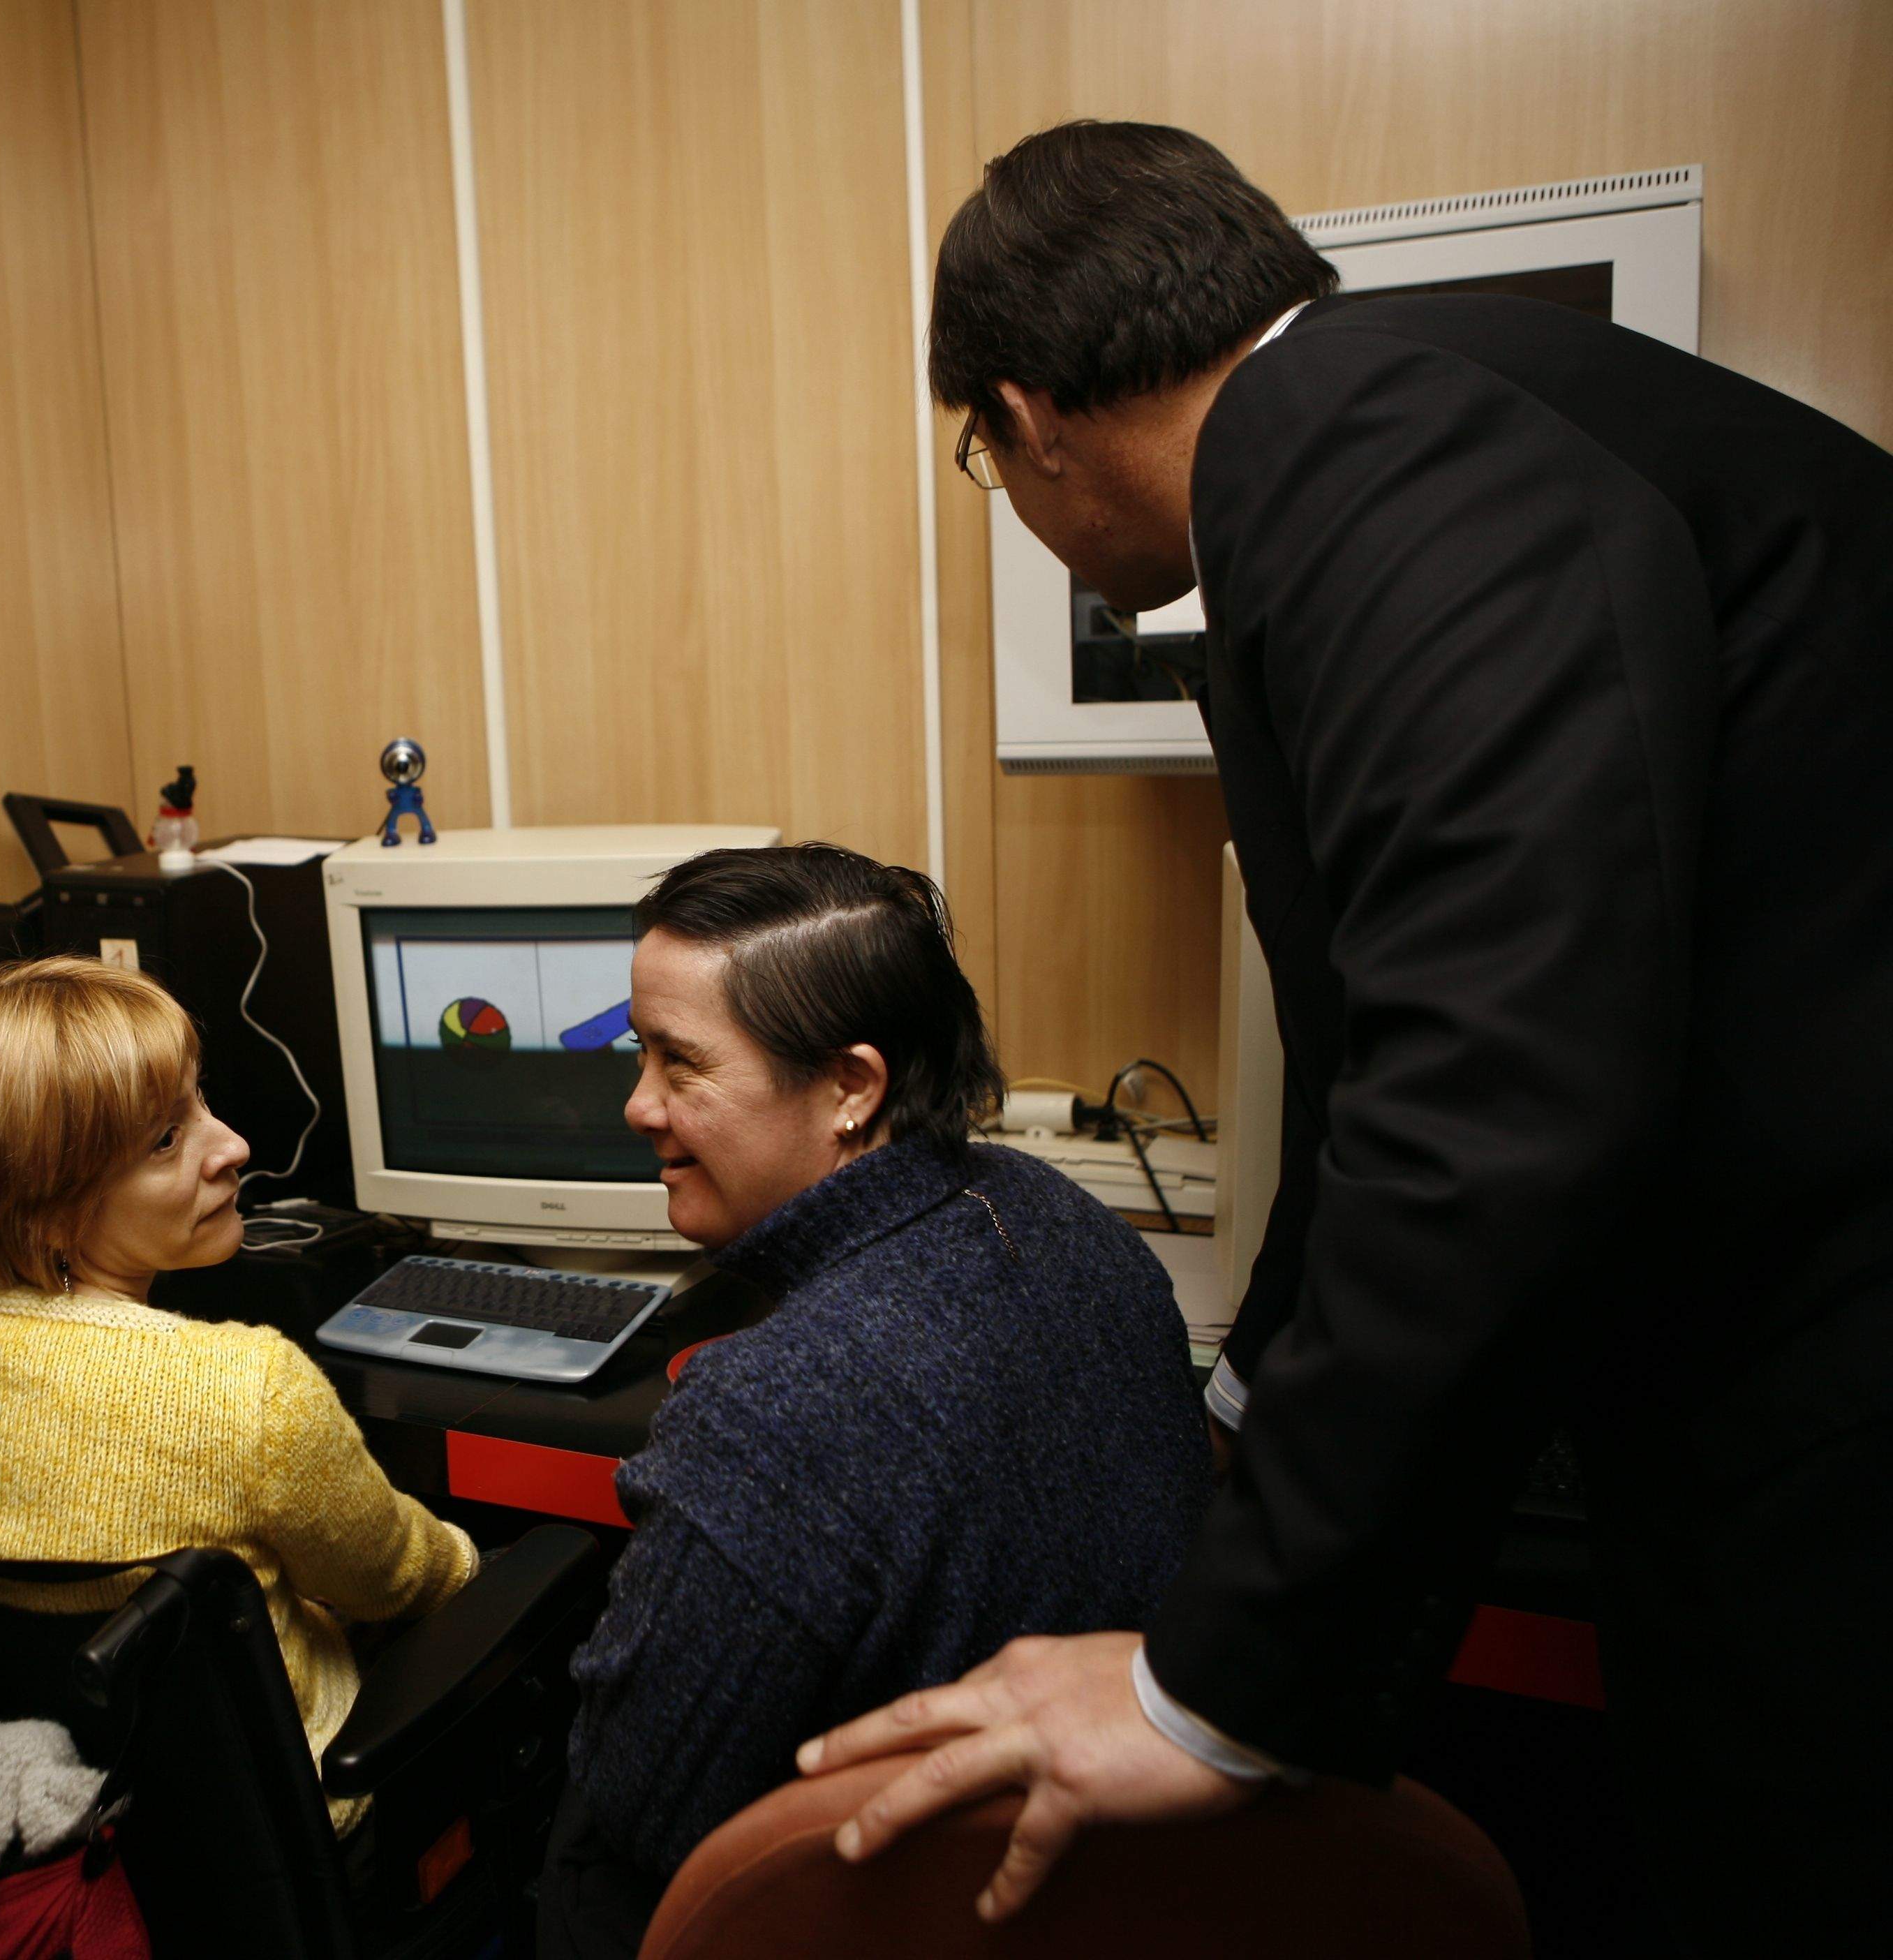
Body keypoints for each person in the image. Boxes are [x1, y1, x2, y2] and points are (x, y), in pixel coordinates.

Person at [802, 121, 1893, 1951]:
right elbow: (1391, 1054)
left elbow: (1500, 1092)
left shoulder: (1373, 454)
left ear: (1031, 414)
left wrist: (1212, 1682)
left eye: (986, 459)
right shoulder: (1405, 425)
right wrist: (1248, 1399)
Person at [535, 845, 1208, 1960]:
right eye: (638, 1052)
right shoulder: (1066, 1220)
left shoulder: (774, 1413)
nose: (639, 1104)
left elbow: (641, 1807)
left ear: (851, 1087)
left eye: (681, 1064)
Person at [0, 955, 480, 1833]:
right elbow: (398, 1581)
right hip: (288, 1822)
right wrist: (472, 1561)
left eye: (200, 1101)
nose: (231, 1146)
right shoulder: (246, 1390)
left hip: (71, 1813)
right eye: (165, 1141)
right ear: (45, 1209)